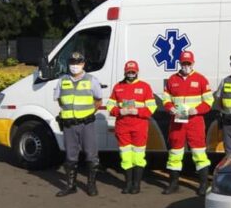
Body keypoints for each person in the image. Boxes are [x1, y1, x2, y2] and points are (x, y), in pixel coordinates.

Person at [162, 50, 213, 195]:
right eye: (183, 63)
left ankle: (203, 184)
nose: (186, 65)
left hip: (195, 121)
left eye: (188, 63)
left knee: (199, 153)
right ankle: (173, 184)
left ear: (193, 63)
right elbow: (166, 100)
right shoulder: (172, 79)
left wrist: (196, 110)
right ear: (179, 63)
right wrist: (170, 108)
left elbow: (209, 102)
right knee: (175, 153)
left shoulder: (201, 79)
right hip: (177, 121)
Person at [54, 51, 104, 197]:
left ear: (83, 64)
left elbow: (98, 100)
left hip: (86, 124)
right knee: (70, 155)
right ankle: (71, 186)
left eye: (78, 63)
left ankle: (91, 185)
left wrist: (87, 114)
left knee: (91, 154)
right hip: (69, 124)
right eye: (72, 63)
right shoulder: (62, 80)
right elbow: (59, 100)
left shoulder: (91, 80)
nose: (75, 66)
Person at [107, 60, 157, 194]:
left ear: (137, 72)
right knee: (125, 157)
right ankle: (128, 183)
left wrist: (138, 112)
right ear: (125, 72)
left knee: (138, 156)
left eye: (133, 71)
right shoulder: (118, 87)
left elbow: (152, 107)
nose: (131, 74)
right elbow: (109, 106)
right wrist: (119, 111)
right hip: (122, 127)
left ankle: (137, 184)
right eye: (129, 71)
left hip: (139, 126)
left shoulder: (145, 87)